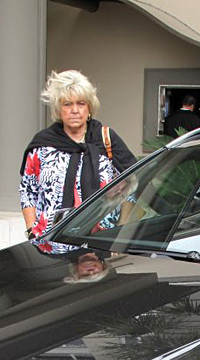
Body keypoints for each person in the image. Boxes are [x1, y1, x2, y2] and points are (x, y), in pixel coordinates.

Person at [20, 70, 136, 256]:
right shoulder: (42, 145)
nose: (75, 110)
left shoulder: (106, 138)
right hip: (51, 243)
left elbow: (133, 183)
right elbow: (28, 191)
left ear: (89, 108)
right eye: (67, 104)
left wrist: (120, 232)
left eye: (81, 103)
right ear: (58, 109)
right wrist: (31, 229)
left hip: (101, 243)